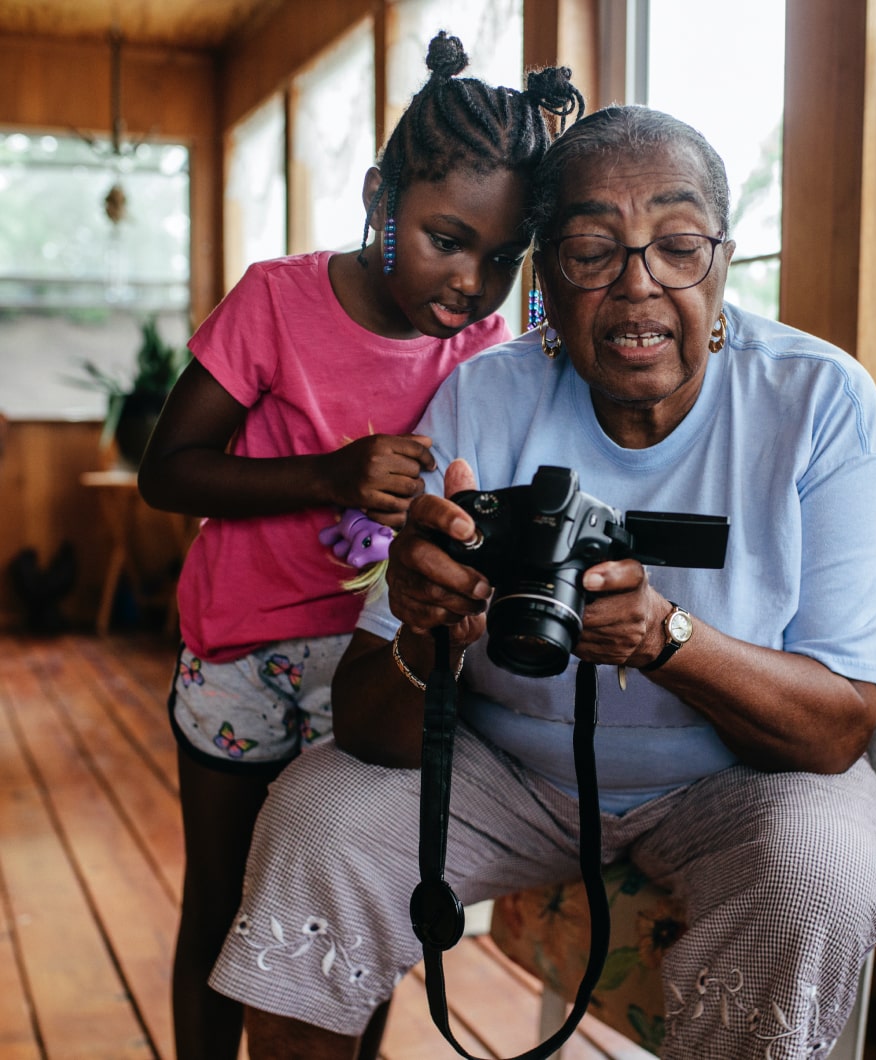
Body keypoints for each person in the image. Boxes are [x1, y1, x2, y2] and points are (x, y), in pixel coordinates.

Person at [207, 105, 876, 1059]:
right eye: (590, 250)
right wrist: (421, 625)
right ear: (543, 275)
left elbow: (838, 729)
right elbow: (368, 725)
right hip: (507, 770)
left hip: (740, 781)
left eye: (677, 245)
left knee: (818, 865)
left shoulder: (818, 401)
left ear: (725, 260)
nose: (638, 286)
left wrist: (667, 640)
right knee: (317, 814)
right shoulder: (487, 395)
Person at [137, 31, 583, 1060]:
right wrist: (328, 474)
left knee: (356, 909)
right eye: (444, 237)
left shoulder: (486, 348)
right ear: (381, 196)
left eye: (501, 255)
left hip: (380, 661)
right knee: (223, 897)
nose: (470, 280)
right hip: (241, 650)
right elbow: (171, 470)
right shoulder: (276, 303)